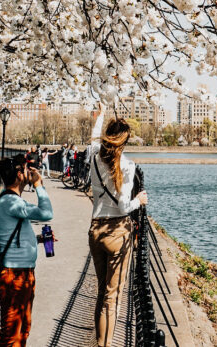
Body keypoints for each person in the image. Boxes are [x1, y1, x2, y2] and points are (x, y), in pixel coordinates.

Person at [87, 108, 149, 347]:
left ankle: (100, 342)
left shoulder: (92, 156)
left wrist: (100, 116)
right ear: (124, 142)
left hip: (96, 230)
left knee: (102, 292)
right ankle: (106, 344)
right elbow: (124, 206)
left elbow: (92, 138)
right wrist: (139, 201)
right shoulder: (127, 165)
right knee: (112, 298)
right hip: (117, 232)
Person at [0, 155, 53, 347]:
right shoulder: (11, 202)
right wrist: (39, 185)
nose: (29, 172)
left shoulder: (14, 201)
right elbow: (46, 213)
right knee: (11, 334)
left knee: (21, 330)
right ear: (18, 175)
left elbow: (11, 235)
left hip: (23, 273)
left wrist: (39, 239)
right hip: (13, 276)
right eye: (26, 169)